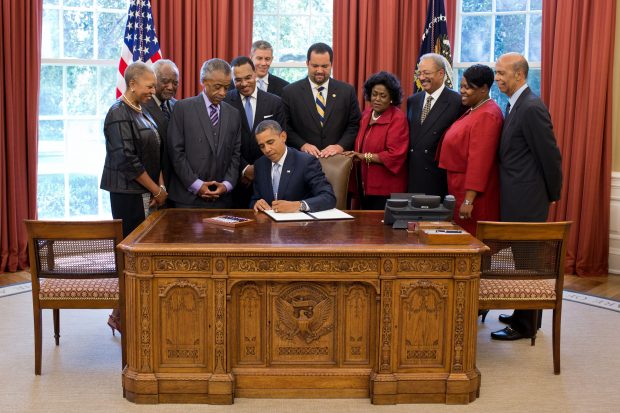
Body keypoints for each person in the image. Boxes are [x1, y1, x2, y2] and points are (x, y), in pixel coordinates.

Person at [491, 52, 563, 341]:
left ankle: (525, 325)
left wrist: (552, 193)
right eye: (496, 73)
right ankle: (525, 314)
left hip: (528, 199)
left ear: (519, 75)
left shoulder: (531, 107)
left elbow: (550, 155)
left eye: (501, 73)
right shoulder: (515, 105)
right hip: (518, 196)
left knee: (528, 263)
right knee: (523, 260)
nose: (497, 78)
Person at [100, 61, 168, 334]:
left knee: (144, 255)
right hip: (129, 195)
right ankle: (124, 316)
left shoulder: (142, 110)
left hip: (150, 192)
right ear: (132, 84)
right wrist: (156, 189)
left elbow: (156, 152)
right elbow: (127, 161)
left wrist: (160, 187)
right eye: (149, 85)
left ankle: (137, 312)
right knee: (132, 257)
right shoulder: (118, 113)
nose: (154, 90)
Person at [167, 58, 242, 208]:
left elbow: (236, 154)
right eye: (217, 87)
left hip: (222, 200)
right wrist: (196, 184)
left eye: (226, 88)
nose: (222, 93)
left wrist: (226, 185)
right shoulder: (182, 109)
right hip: (187, 199)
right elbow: (176, 153)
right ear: (204, 81)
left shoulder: (234, 114)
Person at [438, 64, 502, 235]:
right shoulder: (476, 109)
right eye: (461, 86)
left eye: (468, 87)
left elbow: (479, 162)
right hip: (460, 187)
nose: (463, 91)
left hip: (473, 195)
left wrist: (469, 200)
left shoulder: (487, 114)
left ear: (484, 89)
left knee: (473, 243)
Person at [224, 56, 286, 208]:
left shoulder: (275, 102)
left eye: (248, 77)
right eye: (238, 80)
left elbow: (280, 141)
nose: (244, 84)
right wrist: (244, 169)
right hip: (235, 179)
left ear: (255, 73)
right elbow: (224, 142)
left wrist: (257, 169)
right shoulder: (224, 102)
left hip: (267, 177)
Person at [281, 42, 361, 158]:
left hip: (337, 160)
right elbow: (285, 126)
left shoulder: (347, 91)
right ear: (307, 63)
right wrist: (303, 145)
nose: (319, 70)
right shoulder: (289, 92)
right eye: (315, 66)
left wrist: (339, 146)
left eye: (324, 66)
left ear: (331, 64)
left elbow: (354, 125)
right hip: (302, 158)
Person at [343, 71, 409, 210]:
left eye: (383, 95)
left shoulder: (397, 118)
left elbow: (395, 154)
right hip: (363, 183)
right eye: (374, 94)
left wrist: (363, 156)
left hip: (385, 188)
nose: (377, 99)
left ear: (391, 97)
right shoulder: (366, 114)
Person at [407, 53, 464, 197]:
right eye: (419, 73)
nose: (421, 78)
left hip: (439, 179)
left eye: (426, 73)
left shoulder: (457, 102)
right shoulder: (413, 101)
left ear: (441, 73)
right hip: (413, 177)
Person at [251, 120, 336, 213]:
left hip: (301, 225)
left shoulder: (306, 162)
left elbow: (328, 197)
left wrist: (299, 205)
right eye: (262, 146)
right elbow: (255, 198)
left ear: (283, 136)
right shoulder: (260, 164)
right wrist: (256, 203)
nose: (267, 150)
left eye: (270, 142)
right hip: (268, 224)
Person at [142, 59, 179, 189]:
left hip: (174, 183)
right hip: (151, 183)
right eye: (165, 81)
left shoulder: (178, 106)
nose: (170, 87)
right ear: (153, 80)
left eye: (175, 83)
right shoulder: (141, 106)